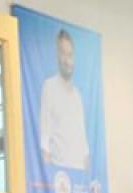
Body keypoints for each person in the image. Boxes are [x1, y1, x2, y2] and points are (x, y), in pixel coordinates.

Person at [38, 29, 89, 172]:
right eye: (63, 54)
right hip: (59, 174)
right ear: (57, 56)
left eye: (70, 55)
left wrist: (87, 174)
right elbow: (44, 136)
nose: (67, 61)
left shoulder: (77, 95)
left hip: (79, 175)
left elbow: (84, 144)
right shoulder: (49, 86)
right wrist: (49, 174)